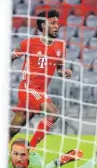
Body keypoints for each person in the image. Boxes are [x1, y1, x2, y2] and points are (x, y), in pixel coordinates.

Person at [10, 9, 72, 148]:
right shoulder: (29, 43)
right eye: (53, 23)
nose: (57, 26)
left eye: (58, 23)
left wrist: (65, 72)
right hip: (28, 87)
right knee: (54, 112)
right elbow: (10, 57)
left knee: (13, 130)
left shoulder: (61, 47)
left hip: (40, 92)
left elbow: (59, 70)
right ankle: (30, 150)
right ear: (43, 26)